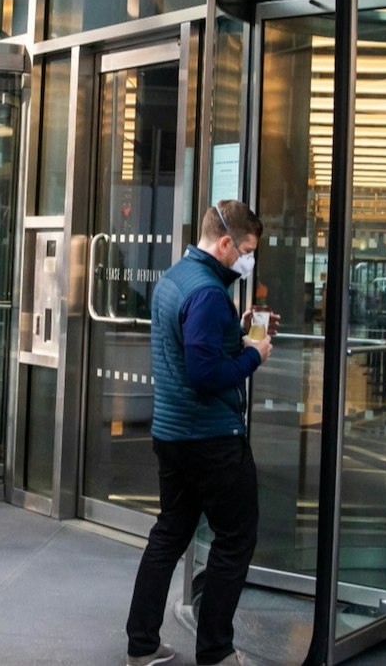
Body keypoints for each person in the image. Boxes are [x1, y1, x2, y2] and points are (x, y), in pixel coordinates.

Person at [123, 200, 272, 666]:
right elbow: (206, 372)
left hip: (172, 433)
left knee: (169, 533)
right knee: (235, 539)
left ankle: (142, 643)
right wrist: (254, 356)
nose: (247, 260)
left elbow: (196, 343)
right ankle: (216, 652)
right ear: (225, 243)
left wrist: (237, 331)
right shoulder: (208, 292)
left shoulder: (176, 279)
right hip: (211, 438)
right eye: (246, 250)